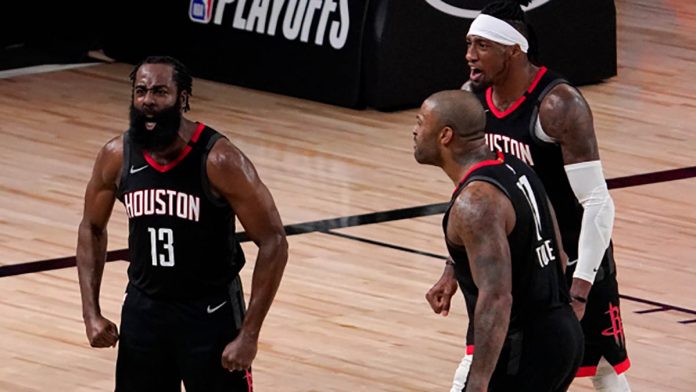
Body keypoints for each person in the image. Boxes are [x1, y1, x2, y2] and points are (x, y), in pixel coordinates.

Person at [429, 1, 631, 391]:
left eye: (482, 46)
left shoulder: (558, 105)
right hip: (523, 255)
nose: (469, 55)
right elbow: (476, 195)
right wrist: (452, 267)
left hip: (578, 255)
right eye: (469, 43)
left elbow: (597, 202)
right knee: (479, 355)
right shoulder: (472, 98)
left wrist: (581, 285)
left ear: (513, 50)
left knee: (604, 369)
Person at [76, 55, 289, 391]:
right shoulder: (117, 155)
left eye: (160, 91)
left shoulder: (219, 160)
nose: (148, 100)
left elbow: (274, 241)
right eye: (141, 91)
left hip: (209, 313)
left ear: (183, 99)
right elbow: (91, 227)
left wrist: (249, 334)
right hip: (144, 310)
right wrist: (91, 313)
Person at [415, 89, 584, 391]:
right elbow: (557, 251)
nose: (414, 131)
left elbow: (497, 297)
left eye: (420, 122)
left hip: (523, 350)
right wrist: (453, 269)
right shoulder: (515, 166)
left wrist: (478, 382)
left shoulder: (475, 202)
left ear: (445, 135)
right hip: (562, 333)